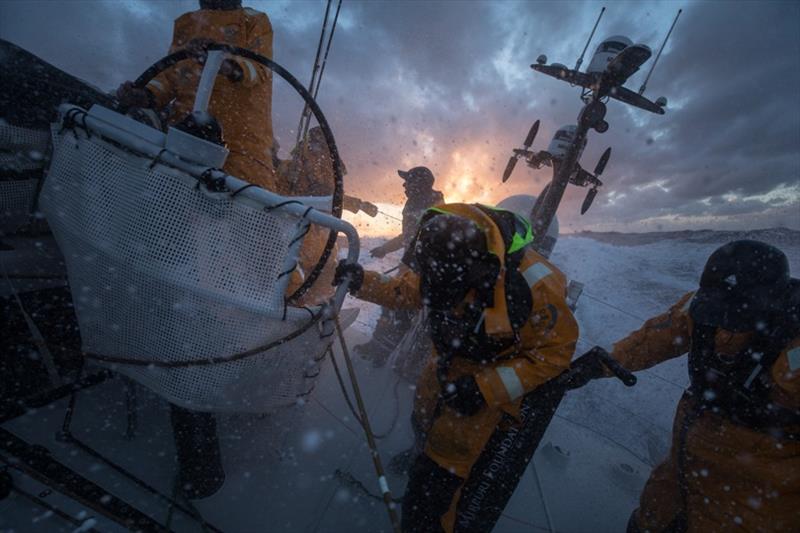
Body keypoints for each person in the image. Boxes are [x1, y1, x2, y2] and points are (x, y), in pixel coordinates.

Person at [335, 203, 579, 532]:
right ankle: (420, 461)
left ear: (481, 271)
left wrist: (484, 388)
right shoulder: (447, 253)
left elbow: (556, 352)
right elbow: (409, 290)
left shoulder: (537, 288)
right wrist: (362, 281)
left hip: (476, 407)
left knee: (434, 497)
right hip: (437, 379)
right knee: (422, 429)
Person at [580, 240, 799, 532]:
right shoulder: (703, 304)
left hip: (756, 493)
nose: (725, 324)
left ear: (771, 306)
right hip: (684, 464)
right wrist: (599, 364)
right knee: (651, 519)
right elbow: (654, 338)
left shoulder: (793, 345)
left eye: (736, 319)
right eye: (718, 315)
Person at [116, 0, 277, 190]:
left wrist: (222, 62)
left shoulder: (255, 21)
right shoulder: (186, 24)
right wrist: (144, 95)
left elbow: (260, 69)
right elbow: (169, 77)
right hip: (184, 146)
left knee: (245, 206)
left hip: (244, 153)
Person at [279, 126, 378, 305]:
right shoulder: (321, 163)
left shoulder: (297, 162)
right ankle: (310, 312)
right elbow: (328, 196)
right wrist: (360, 205)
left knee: (299, 276)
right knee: (320, 275)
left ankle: (298, 307)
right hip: (308, 231)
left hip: (301, 229)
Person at [355, 166, 444, 362]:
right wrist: (385, 249)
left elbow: (430, 243)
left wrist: (417, 267)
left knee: (400, 308)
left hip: (419, 270)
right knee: (390, 305)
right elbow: (408, 236)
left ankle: (382, 352)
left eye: (408, 181)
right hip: (410, 266)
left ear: (420, 185)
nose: (404, 184)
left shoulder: (434, 211)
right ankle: (379, 347)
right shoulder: (414, 204)